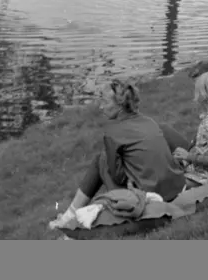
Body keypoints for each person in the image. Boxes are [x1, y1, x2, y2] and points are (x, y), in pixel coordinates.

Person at [61, 79, 189, 219]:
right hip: (176, 189)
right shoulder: (149, 122)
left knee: (101, 160)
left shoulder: (113, 133)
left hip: (150, 198)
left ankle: (69, 215)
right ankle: (70, 213)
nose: (101, 107)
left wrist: (128, 178)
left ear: (120, 105)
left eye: (105, 102)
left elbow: (118, 177)